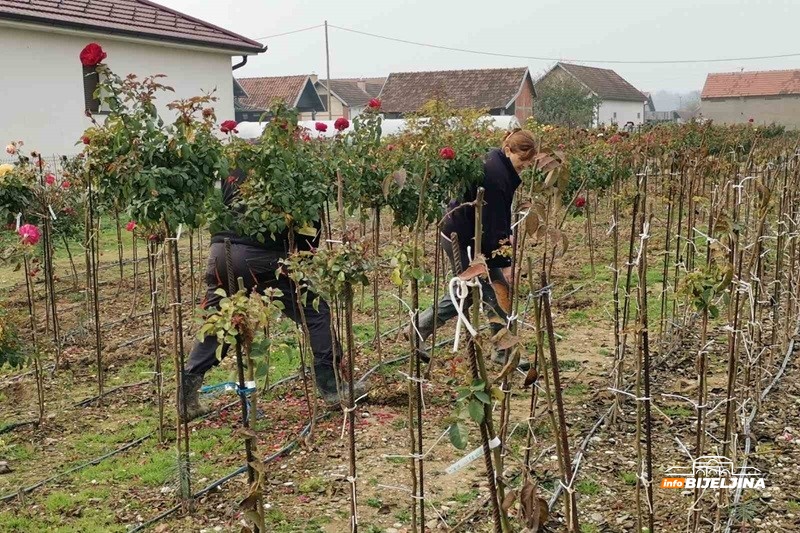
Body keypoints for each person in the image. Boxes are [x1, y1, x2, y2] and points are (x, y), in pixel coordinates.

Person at [180, 168, 362, 422]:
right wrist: (300, 259)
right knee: (316, 311)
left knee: (220, 323)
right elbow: (308, 236)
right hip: (262, 258)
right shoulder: (293, 174)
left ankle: (187, 395)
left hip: (220, 253)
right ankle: (331, 387)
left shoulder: (232, 174)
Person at [414, 129, 538, 368]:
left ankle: (422, 327)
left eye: (528, 162)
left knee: (479, 290)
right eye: (522, 161)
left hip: (466, 233)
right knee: (488, 289)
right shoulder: (496, 177)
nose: (524, 167)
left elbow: (496, 219)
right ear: (508, 150)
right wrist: (504, 262)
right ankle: (502, 350)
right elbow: (493, 225)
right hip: (464, 238)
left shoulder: (496, 162)